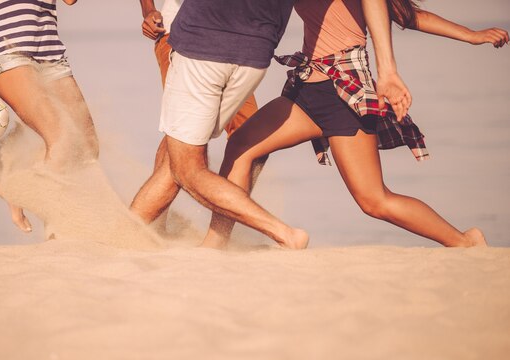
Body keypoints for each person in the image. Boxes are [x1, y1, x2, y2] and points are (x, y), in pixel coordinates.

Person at [201, 0, 508, 249]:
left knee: (374, 200)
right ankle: (216, 246)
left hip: (343, 89)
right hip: (307, 86)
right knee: (241, 146)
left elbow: (402, 13)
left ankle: (465, 241)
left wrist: (471, 35)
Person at [129, 0, 413, 249]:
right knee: (188, 147)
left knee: (187, 167)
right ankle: (144, 234)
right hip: (254, 55)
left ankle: (283, 233)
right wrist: (387, 68)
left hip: (203, 43)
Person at [0, 0, 99, 233]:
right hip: (6, 51)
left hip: (51, 54)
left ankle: (17, 184)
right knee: (62, 139)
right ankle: (55, 226)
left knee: (87, 147)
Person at [134, 0, 260, 233]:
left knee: (252, 136)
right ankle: (150, 226)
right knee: (184, 131)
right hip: (183, 36)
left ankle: (219, 236)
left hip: (237, 43)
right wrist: (149, 11)